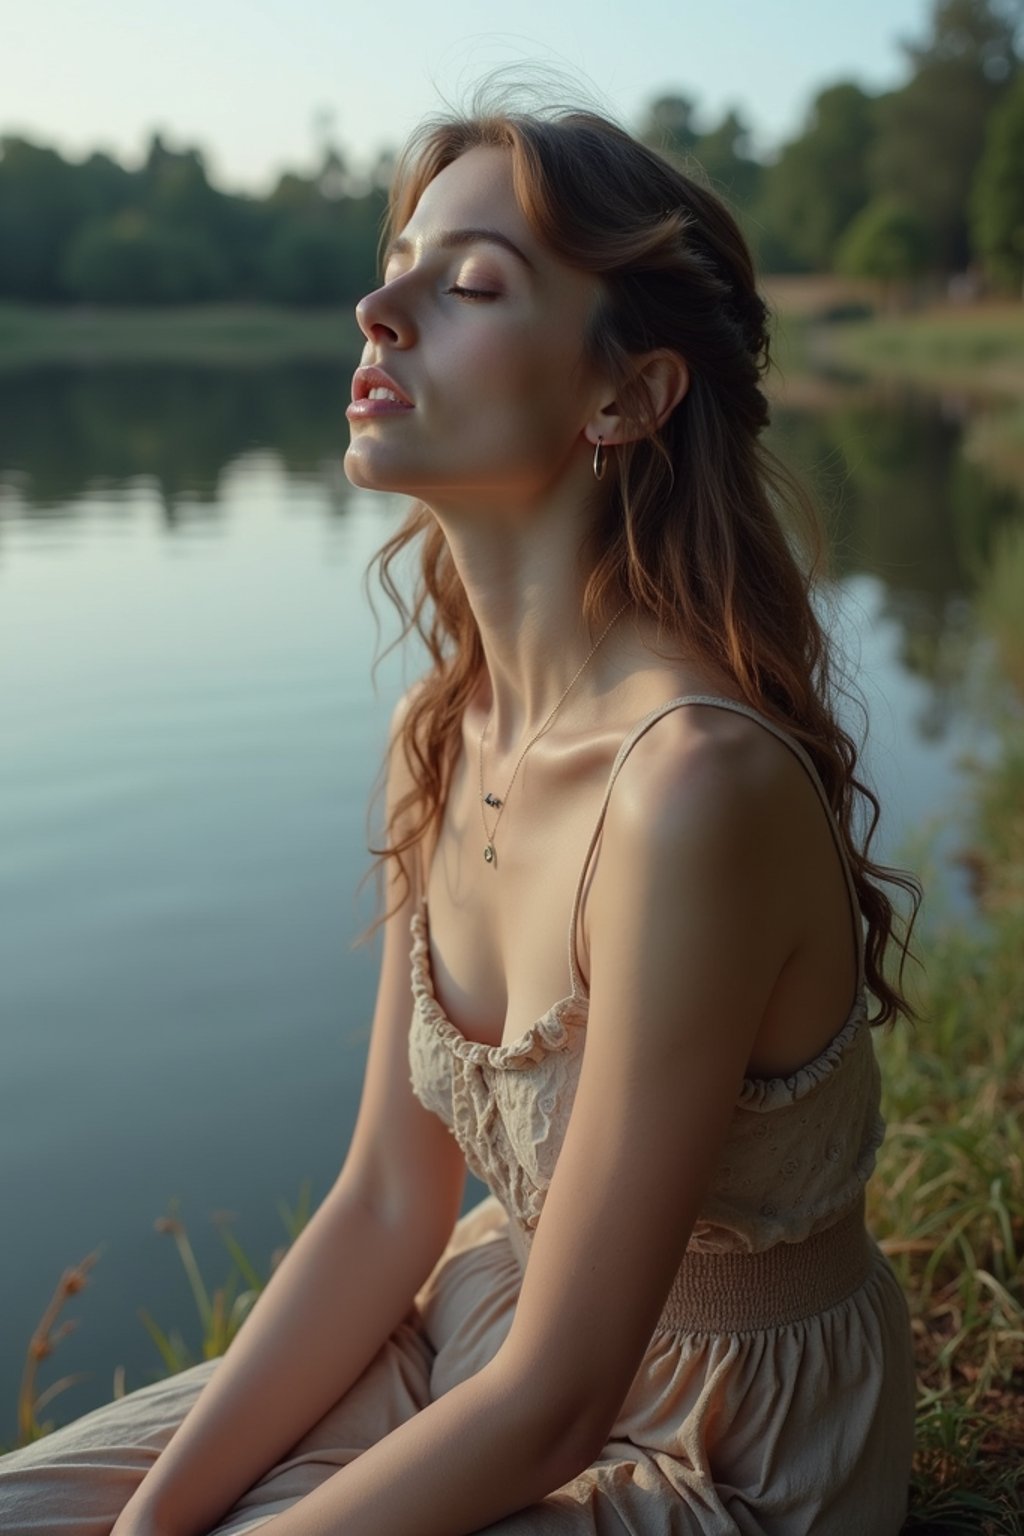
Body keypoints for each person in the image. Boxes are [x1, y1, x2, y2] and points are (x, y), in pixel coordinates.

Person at [0, 83, 922, 1536]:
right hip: (481, 1328)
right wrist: (146, 1526)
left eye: (470, 282)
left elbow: (564, 1396)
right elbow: (385, 1202)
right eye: (400, 261)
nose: (379, 306)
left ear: (627, 393)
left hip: (719, 1444)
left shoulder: (692, 792)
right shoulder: (447, 730)